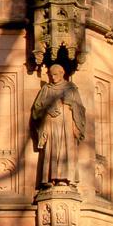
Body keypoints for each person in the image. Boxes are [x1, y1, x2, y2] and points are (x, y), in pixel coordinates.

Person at [28, 61, 86, 190]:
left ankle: (65, 178)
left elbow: (81, 109)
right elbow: (37, 108)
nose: (52, 77)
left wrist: (71, 103)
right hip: (51, 125)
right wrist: (47, 109)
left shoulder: (71, 88)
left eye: (55, 75)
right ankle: (50, 178)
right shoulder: (46, 89)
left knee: (66, 151)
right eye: (50, 75)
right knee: (51, 150)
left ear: (62, 73)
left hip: (67, 126)